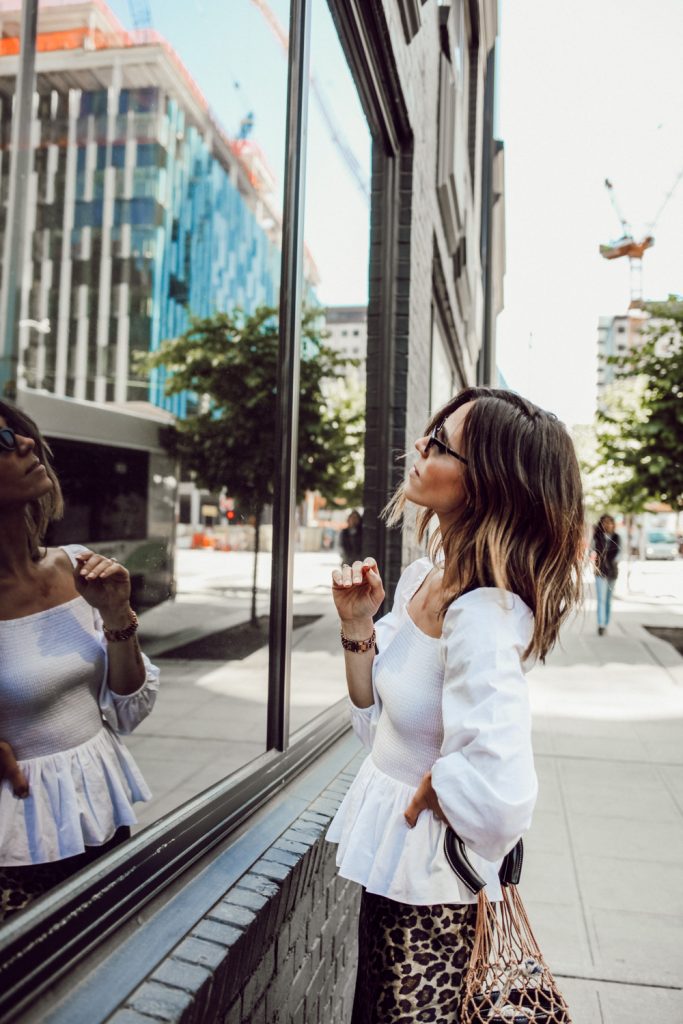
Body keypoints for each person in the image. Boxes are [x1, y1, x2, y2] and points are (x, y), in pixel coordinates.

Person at [327, 387, 584, 1023]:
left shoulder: (483, 615)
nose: (420, 447)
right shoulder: (426, 578)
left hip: (434, 899)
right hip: (399, 878)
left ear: (488, 484)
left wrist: (435, 787)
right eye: (431, 432)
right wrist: (358, 625)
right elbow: (376, 723)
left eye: (442, 445)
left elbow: (505, 795)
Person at [0, 400, 159, 922]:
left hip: (100, 814)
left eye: (22, 435)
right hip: (19, 846)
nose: (26, 444)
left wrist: (117, 613)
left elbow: (128, 708)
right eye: (3, 442)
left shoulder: (76, 565)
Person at [591, 514, 620, 636]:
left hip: (612, 572)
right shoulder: (597, 537)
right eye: (605, 522)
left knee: (608, 599)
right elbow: (592, 551)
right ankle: (601, 624)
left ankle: (606, 622)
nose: (607, 525)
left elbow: (620, 554)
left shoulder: (617, 537)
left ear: (613, 524)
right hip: (600, 571)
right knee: (601, 599)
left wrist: (611, 561)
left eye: (610, 522)